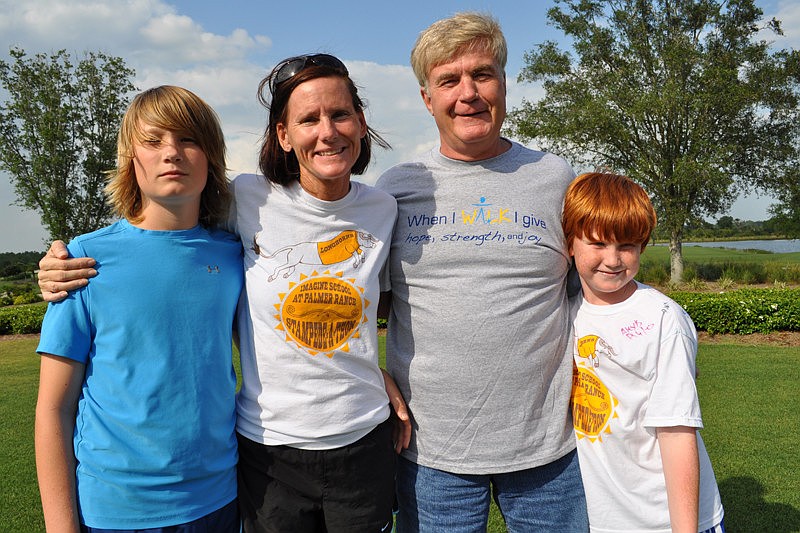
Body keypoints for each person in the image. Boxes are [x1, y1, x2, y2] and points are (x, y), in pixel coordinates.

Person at [37, 54, 411, 533]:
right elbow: (54, 405)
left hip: (327, 455)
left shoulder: (382, 208)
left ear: (360, 123)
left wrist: (371, 369)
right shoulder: (240, 204)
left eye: (339, 115)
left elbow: (366, 313)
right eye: (308, 119)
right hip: (254, 458)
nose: (327, 131)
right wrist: (53, 267)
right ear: (283, 135)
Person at [375, 12, 588, 532]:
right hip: (431, 452)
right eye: (449, 80)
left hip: (549, 449)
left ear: (504, 84)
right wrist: (367, 372)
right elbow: (362, 304)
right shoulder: (396, 189)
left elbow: (594, 288)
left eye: (483, 74)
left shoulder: (555, 177)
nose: (468, 93)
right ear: (428, 99)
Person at [34, 85, 243, 531]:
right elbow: (53, 408)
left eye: (189, 139)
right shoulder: (82, 262)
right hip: (117, 511)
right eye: (153, 141)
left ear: (211, 156)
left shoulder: (234, 255)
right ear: (132, 158)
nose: (172, 153)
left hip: (223, 500)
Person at [563, 172, 725, 533]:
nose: (613, 259)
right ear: (569, 243)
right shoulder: (566, 310)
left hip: (664, 518)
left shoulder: (662, 319)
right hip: (606, 518)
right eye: (598, 243)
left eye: (627, 246)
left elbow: (677, 431)